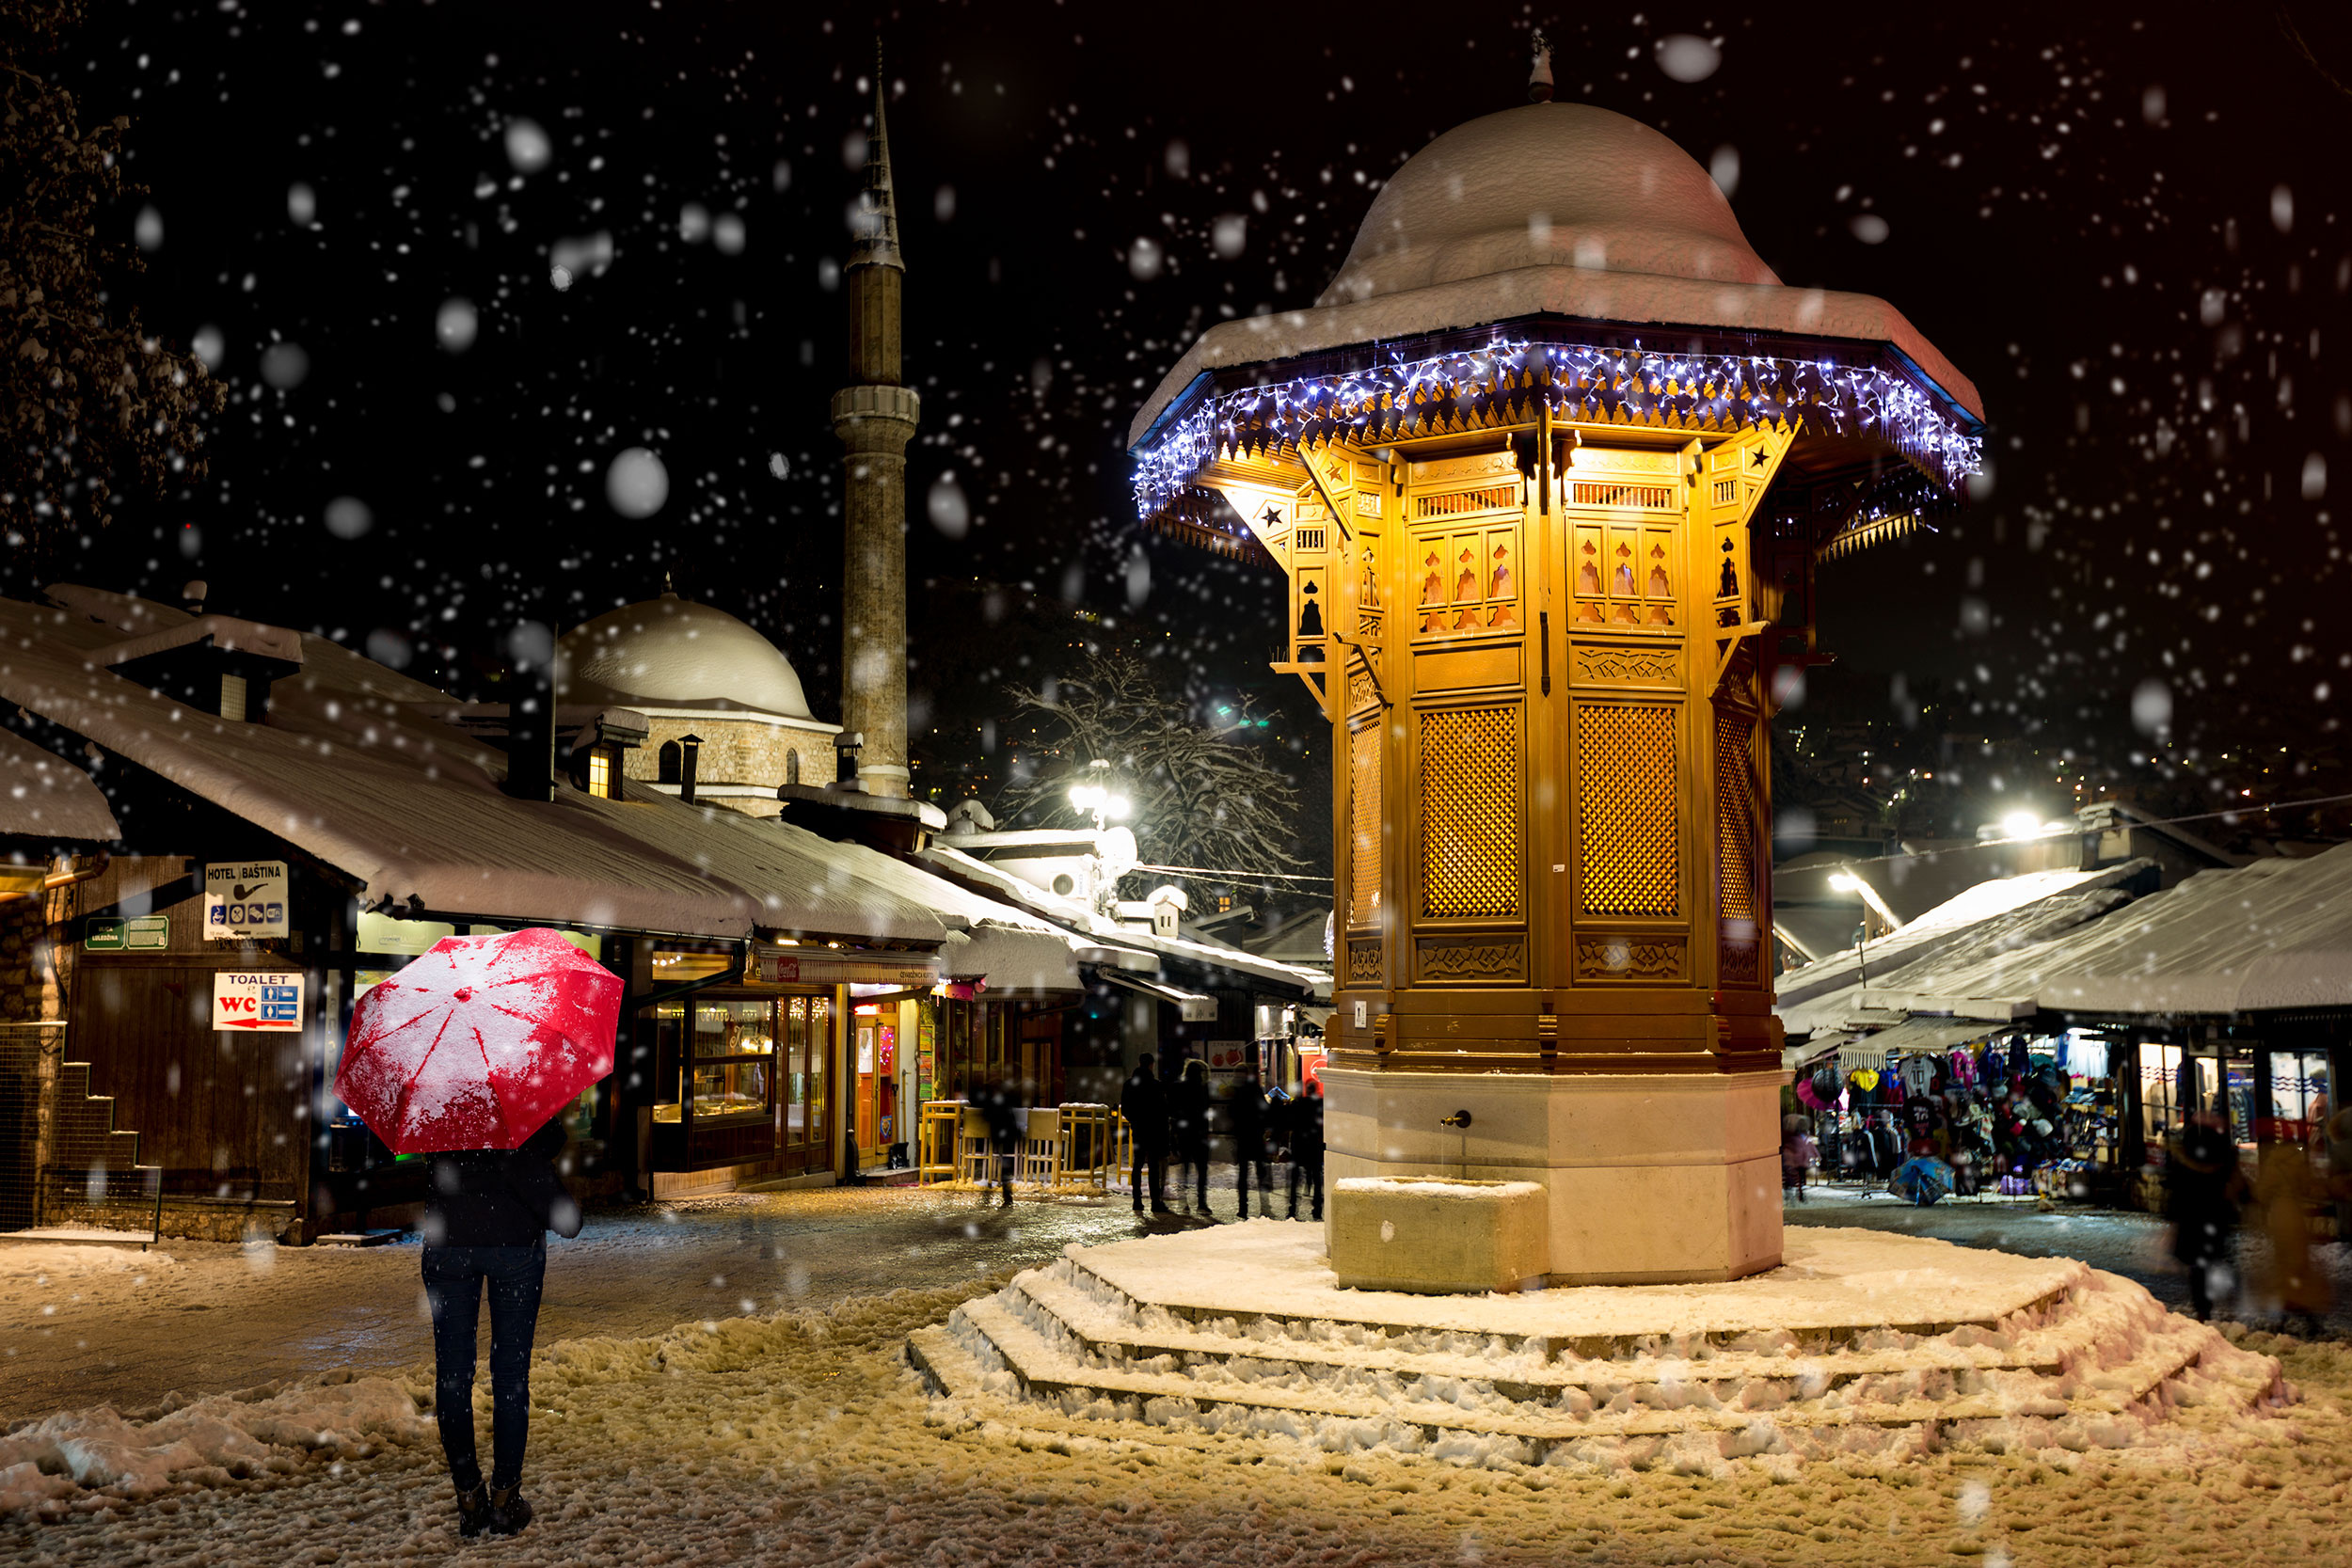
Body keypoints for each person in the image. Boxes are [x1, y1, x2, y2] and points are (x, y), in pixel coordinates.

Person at [421, 1116, 583, 1538]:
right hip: (514, 1252)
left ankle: (469, 1497)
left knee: (453, 1378)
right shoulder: (518, 1122)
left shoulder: (443, 1120)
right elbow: (567, 1221)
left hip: (447, 1252)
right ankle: (505, 1498)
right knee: (510, 1376)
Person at [2165, 1110, 2243, 1322]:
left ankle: (2202, 1308)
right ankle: (2230, 1293)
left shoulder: (2184, 1158)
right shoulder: (2223, 1156)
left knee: (2198, 1267)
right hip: (2215, 1216)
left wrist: (2172, 1216)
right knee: (2216, 1259)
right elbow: (2236, 1186)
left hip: (2192, 1218)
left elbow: (2176, 1190)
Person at [2255, 1139, 2331, 1336]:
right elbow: (2308, 1186)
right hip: (2296, 1213)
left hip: (2279, 1214)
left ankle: (2284, 1314)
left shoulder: (2272, 1163)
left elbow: (2262, 1193)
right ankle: (2303, 1311)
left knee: (2284, 1263)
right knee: (2299, 1263)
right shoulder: (2298, 1161)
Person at [1120, 1053, 1170, 1214]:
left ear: (1139, 1063)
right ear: (1151, 1065)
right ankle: (1155, 1202)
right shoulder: (1157, 1085)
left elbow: (1125, 1108)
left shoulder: (1129, 1085)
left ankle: (1137, 1200)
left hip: (1139, 1129)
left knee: (1138, 1164)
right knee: (1153, 1166)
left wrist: (1135, 1120)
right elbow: (1164, 1110)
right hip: (1154, 1130)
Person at [1228, 1066, 1274, 1220]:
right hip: (1255, 1135)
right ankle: (1265, 1205)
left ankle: (1243, 1208)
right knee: (1260, 1172)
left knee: (1243, 1174)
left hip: (1242, 1137)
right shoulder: (1255, 1089)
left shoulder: (1236, 1091)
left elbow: (1232, 1112)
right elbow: (1264, 1109)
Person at [1170, 1057, 1215, 1218]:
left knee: (1185, 1169)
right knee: (1201, 1170)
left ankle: (1184, 1203)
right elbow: (1207, 1112)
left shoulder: (1177, 1087)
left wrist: (1175, 1132)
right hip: (1200, 1133)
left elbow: (1173, 1111)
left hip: (1184, 1133)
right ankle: (1202, 1203)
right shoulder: (1203, 1088)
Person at [977, 1074, 1024, 1208]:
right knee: (1003, 1166)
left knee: (999, 1166)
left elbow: (986, 1115)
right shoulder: (1007, 1100)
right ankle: (1003, 1195)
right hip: (1008, 1136)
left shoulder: (994, 1101)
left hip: (1000, 1136)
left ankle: (996, 1194)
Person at [1286, 1079, 1325, 1221]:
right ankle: (1317, 1209)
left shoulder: (1298, 1104)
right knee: (1316, 1177)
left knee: (1295, 1179)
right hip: (1314, 1145)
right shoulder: (1321, 1104)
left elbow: (1289, 1122)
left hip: (1299, 1146)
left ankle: (1292, 1208)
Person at [1780, 1113, 1818, 1204]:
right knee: (1800, 1178)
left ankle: (1791, 1195)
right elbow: (1811, 1148)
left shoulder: (1789, 1137)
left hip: (1791, 1161)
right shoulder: (1804, 1137)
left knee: (1791, 1178)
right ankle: (1800, 1194)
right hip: (1802, 1161)